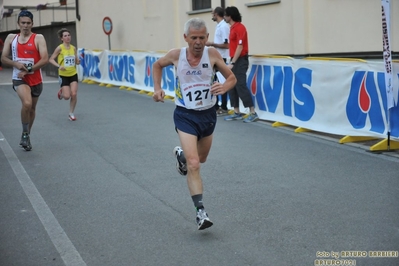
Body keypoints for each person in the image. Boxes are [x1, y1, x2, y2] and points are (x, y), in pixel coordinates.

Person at [152, 18, 236, 230]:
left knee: (202, 158)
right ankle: (200, 212)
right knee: (194, 164)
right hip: (185, 115)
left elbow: (232, 78)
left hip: (208, 115)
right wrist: (157, 88)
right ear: (186, 38)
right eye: (193, 38)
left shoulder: (213, 55)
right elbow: (156, 65)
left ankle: (180, 154)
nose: (198, 42)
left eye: (202, 38)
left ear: (207, 38)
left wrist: (224, 88)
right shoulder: (176, 55)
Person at [1, 10, 49, 151]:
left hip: (35, 79)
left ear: (32, 24)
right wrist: (16, 64)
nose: (26, 26)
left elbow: (45, 59)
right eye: (23, 23)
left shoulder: (38, 38)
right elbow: (3, 58)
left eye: (28, 23)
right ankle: (25, 133)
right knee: (27, 103)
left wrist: (28, 69)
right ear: (18, 24)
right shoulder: (11, 38)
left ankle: (26, 134)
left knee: (32, 109)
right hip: (19, 78)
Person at [223, 6, 259, 123]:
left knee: (240, 84)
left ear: (230, 16)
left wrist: (233, 62)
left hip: (240, 59)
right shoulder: (232, 28)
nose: (224, 17)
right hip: (234, 58)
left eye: (225, 15)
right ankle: (237, 111)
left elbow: (240, 46)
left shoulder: (240, 28)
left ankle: (253, 112)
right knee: (231, 85)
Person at [49, 28, 80, 121]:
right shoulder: (60, 48)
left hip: (73, 74)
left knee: (73, 94)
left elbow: (76, 60)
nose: (67, 37)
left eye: (69, 35)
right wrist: (59, 66)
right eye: (65, 36)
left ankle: (71, 113)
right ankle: (62, 93)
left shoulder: (73, 48)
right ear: (61, 38)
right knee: (67, 97)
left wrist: (78, 61)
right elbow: (50, 59)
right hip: (63, 75)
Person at [205, 6, 230, 116]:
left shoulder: (224, 27)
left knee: (221, 82)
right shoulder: (219, 26)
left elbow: (227, 44)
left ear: (216, 14)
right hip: (217, 57)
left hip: (222, 58)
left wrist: (212, 44)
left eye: (213, 13)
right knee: (215, 81)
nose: (212, 15)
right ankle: (216, 106)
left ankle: (223, 107)